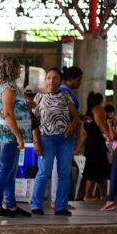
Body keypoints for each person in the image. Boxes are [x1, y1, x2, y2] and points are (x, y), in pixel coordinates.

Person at [29, 68, 81, 216]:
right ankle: (36, 205)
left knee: (64, 173)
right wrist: (36, 142)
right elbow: (33, 121)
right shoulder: (38, 97)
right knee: (44, 172)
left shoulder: (65, 96)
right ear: (45, 80)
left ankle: (61, 207)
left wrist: (72, 126)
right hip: (46, 139)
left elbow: (76, 117)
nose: (52, 81)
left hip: (66, 140)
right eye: (49, 78)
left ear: (60, 80)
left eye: (56, 78)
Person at [0, 57, 33, 217]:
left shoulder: (10, 86)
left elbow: (14, 107)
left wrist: (26, 105)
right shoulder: (8, 87)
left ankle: (12, 206)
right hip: (9, 133)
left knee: (10, 170)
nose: (20, 71)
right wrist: (18, 137)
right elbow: (8, 113)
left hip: (12, 133)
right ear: (12, 69)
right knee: (4, 169)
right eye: (18, 68)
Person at [51, 66, 82, 210]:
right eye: (78, 80)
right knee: (60, 169)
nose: (79, 83)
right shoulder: (64, 91)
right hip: (64, 133)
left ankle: (59, 199)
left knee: (60, 169)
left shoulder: (65, 91)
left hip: (64, 133)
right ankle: (57, 200)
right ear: (71, 79)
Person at [81, 92, 109, 201]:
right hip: (97, 144)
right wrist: (110, 135)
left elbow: (84, 133)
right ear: (100, 100)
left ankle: (103, 195)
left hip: (90, 144)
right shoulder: (98, 109)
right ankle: (88, 195)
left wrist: (79, 147)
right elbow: (101, 126)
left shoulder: (88, 112)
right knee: (94, 170)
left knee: (99, 169)